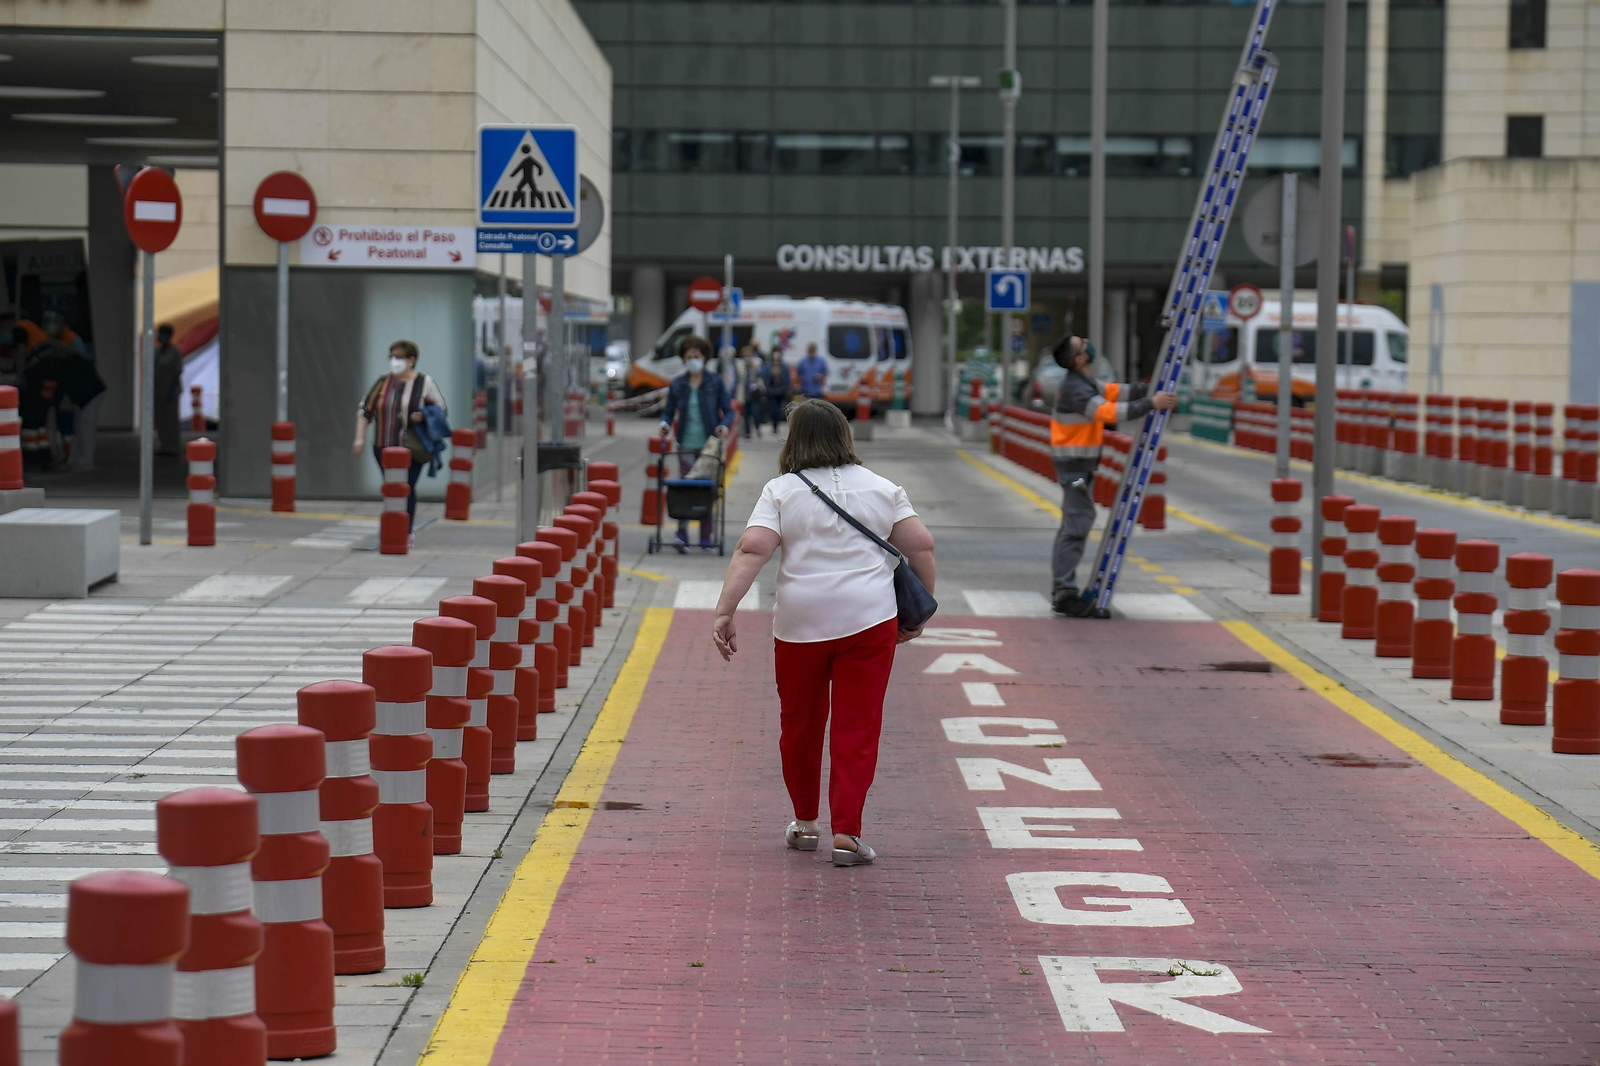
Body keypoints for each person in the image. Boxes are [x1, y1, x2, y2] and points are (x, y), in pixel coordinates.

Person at [711, 399, 935, 866]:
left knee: (800, 724)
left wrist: (725, 610)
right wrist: (917, 613)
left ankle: (806, 824)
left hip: (800, 626)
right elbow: (921, 545)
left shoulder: (781, 490)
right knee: (858, 726)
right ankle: (848, 836)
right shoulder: (882, 488)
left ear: (794, 440)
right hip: (870, 622)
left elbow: (753, 550)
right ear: (844, 435)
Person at [1047, 335, 1178, 616]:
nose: (1087, 341)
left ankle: (1063, 589)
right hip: (1074, 468)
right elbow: (1108, 411)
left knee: (1076, 522)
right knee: (1076, 525)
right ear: (1080, 359)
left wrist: (1149, 389)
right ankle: (1064, 593)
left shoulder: (1084, 383)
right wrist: (1152, 403)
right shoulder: (1074, 388)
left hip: (1079, 466)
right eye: (1082, 343)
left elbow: (1114, 392)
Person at [354, 340, 447, 545]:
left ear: (411, 360)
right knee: (392, 487)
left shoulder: (424, 383)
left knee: (406, 486)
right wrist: (359, 438)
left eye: (399, 357)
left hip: (413, 448)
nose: (394, 361)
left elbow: (441, 410)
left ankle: (405, 532)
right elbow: (365, 410)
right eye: (392, 357)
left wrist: (423, 415)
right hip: (383, 446)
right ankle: (394, 528)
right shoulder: (382, 382)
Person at [658, 334, 734, 551]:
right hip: (685, 444)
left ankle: (706, 537)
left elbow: (728, 411)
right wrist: (664, 423)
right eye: (689, 356)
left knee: (706, 490)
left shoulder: (715, 382)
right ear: (683, 358)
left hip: (709, 446)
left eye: (697, 356)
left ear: (705, 357)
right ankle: (681, 535)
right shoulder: (678, 384)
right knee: (686, 487)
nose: (693, 360)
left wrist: (725, 426)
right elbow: (668, 411)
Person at [153, 323, 184, 457]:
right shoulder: (157, 351)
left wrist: (172, 390)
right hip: (158, 390)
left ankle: (174, 447)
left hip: (171, 389)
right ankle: (164, 445)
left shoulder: (174, 352)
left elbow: (177, 371)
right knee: (160, 419)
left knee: (171, 419)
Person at [735, 345, 767, 439]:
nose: (747, 357)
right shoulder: (740, 365)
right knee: (746, 414)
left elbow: (763, 374)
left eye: (748, 354)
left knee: (756, 413)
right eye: (745, 355)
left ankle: (757, 427)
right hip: (745, 394)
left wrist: (755, 368)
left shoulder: (758, 363)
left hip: (755, 394)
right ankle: (747, 432)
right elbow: (738, 379)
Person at [763, 351, 792, 434]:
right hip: (772, 392)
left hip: (780, 391)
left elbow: (786, 379)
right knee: (773, 409)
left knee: (779, 409)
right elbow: (766, 378)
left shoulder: (783, 367)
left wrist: (787, 389)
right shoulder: (768, 367)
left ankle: (777, 423)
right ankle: (774, 424)